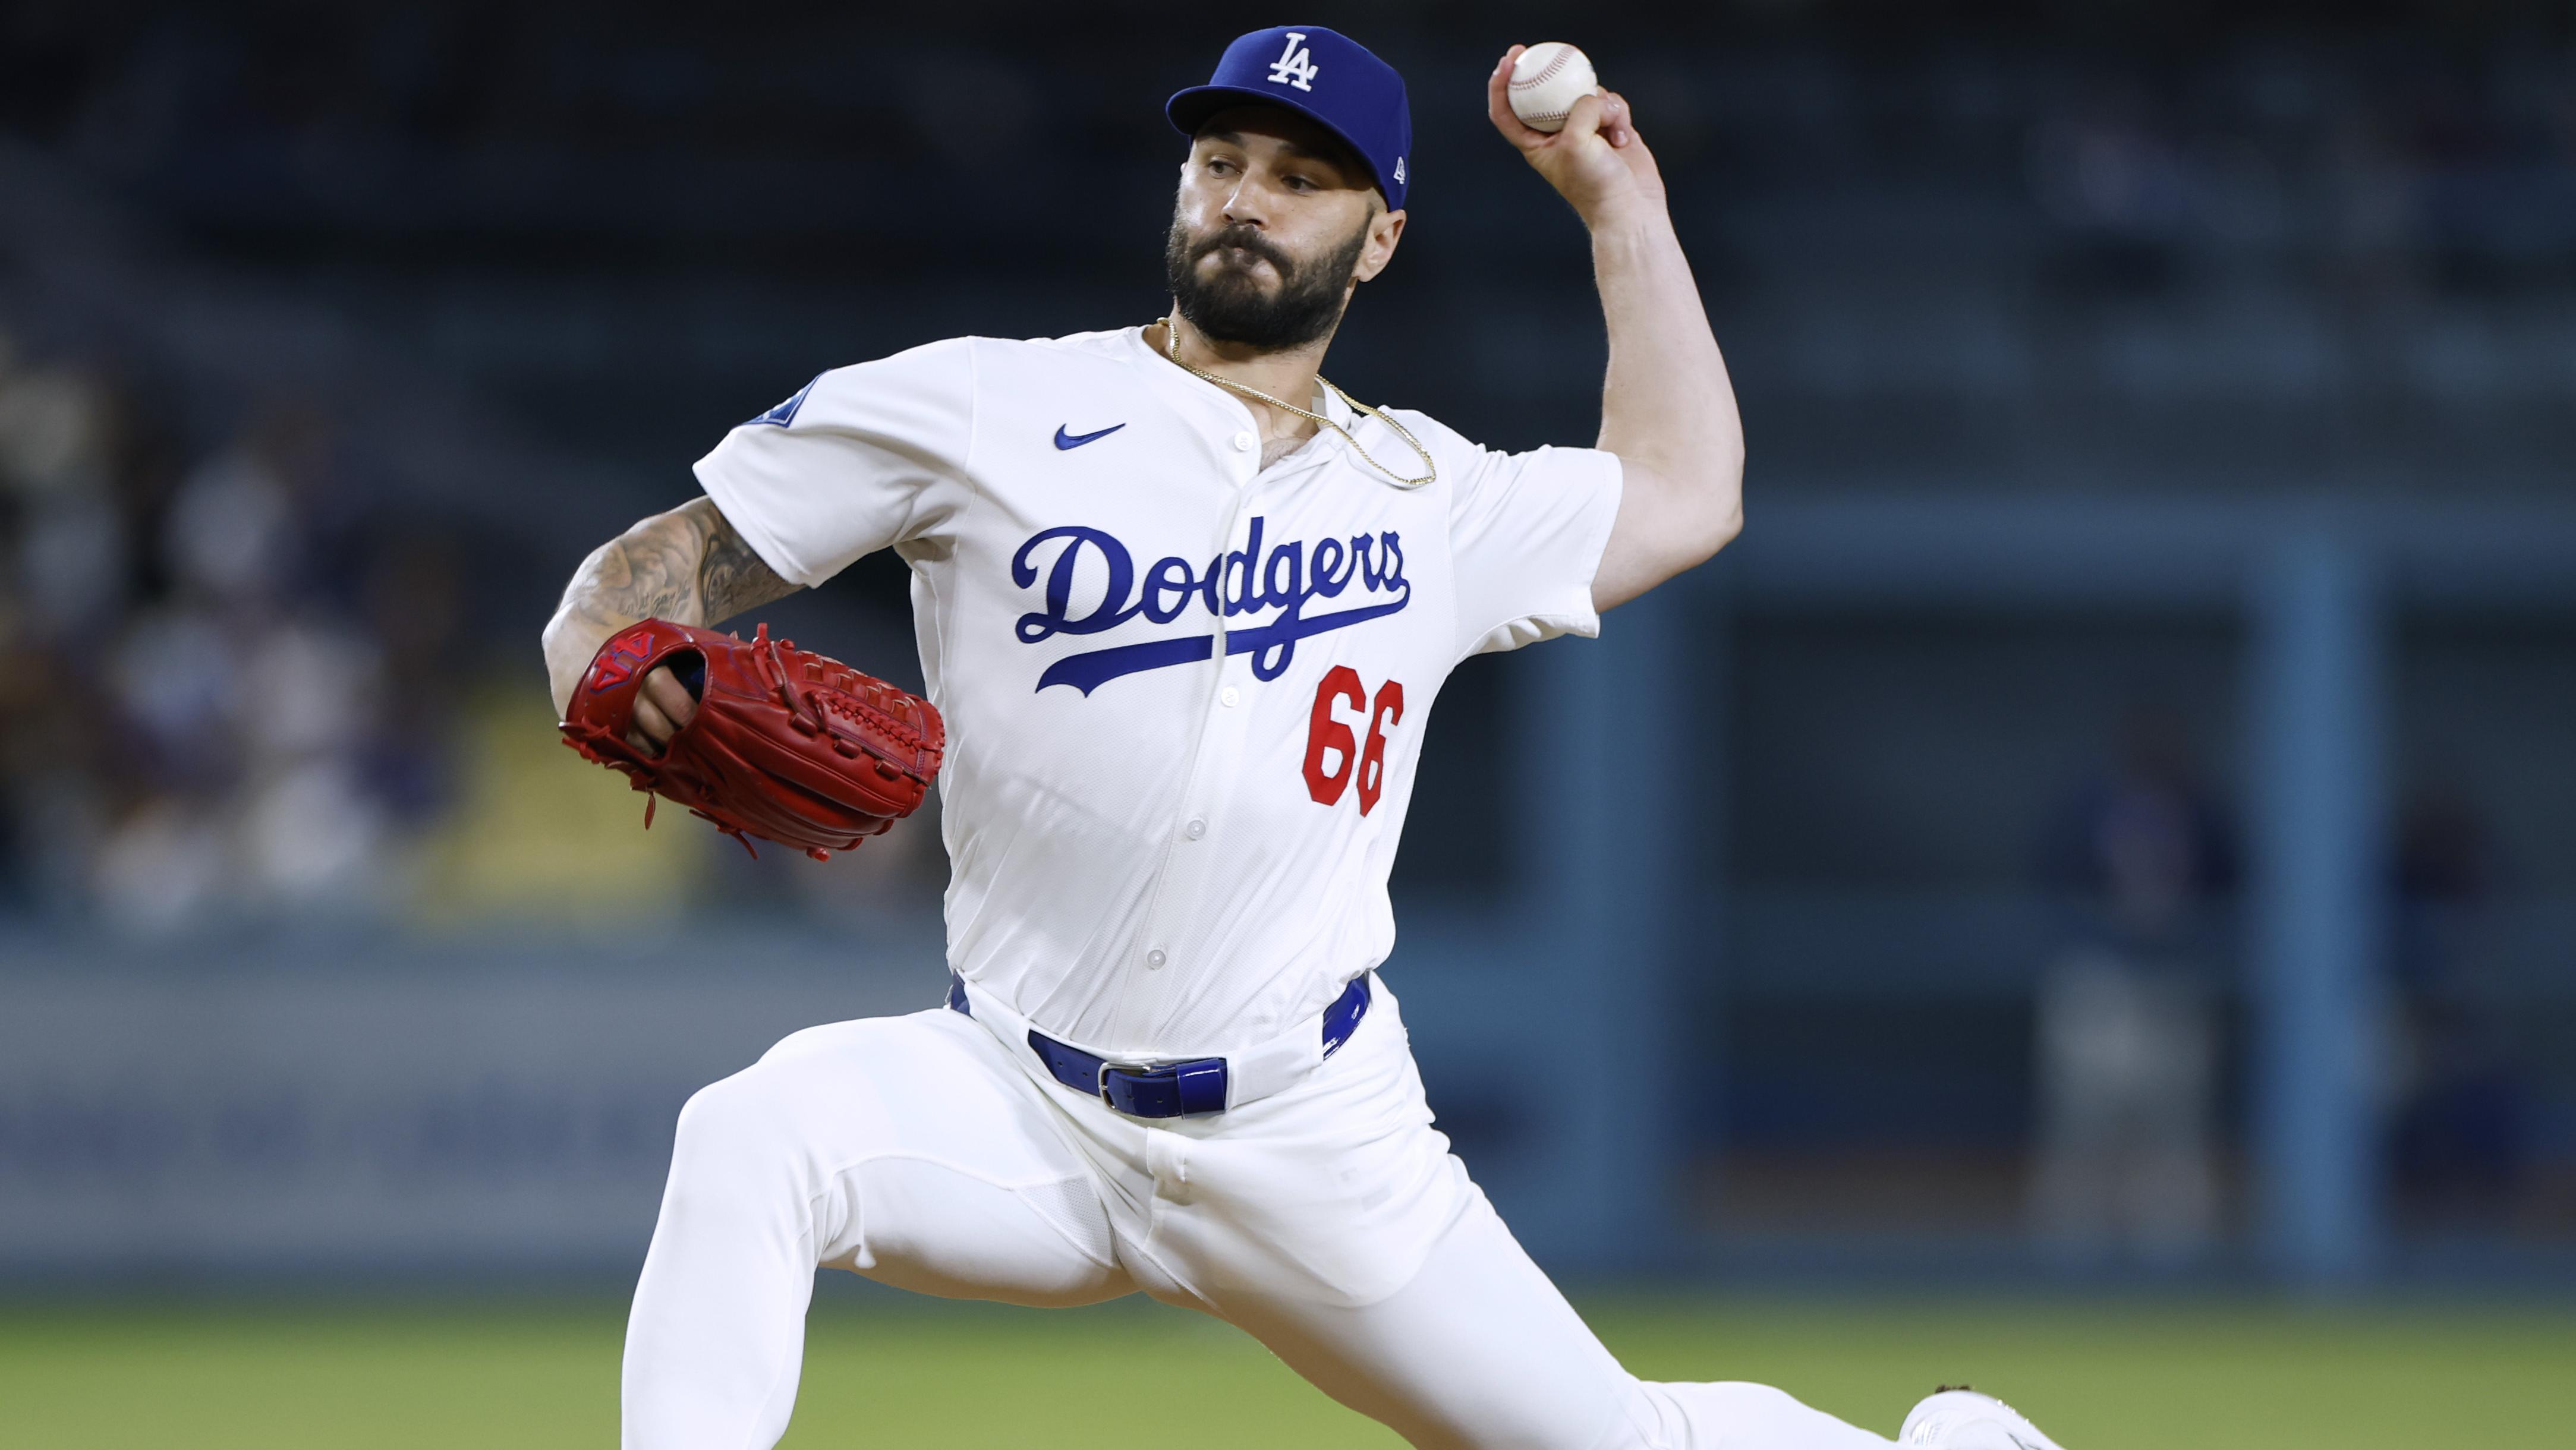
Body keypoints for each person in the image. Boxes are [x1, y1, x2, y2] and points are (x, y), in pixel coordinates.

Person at [542, 28, 2064, 1450]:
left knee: (1612, 1436)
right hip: (1020, 1093)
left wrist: (1620, 203)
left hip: (1308, 1128)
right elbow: (649, 567)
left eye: (1301, 176)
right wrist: (611, 647)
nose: (1245, 200)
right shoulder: (985, 405)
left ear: (1379, 233)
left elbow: (1683, 488)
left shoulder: (1427, 497)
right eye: (1221, 163)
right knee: (750, 1133)